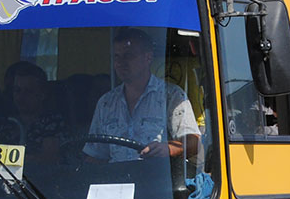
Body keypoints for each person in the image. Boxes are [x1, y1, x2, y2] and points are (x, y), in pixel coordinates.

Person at [82, 29, 201, 163]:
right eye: (117, 56)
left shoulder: (171, 95)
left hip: (157, 180)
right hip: (115, 180)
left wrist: (168, 149)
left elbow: (193, 141)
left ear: (148, 58)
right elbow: (95, 155)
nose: (121, 62)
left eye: (128, 56)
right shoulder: (106, 103)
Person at [0, 60, 67, 163]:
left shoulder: (53, 123)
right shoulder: (4, 123)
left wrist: (9, 160)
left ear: (42, 94)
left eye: (28, 91)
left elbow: (49, 159)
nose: (21, 97)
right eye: (17, 90)